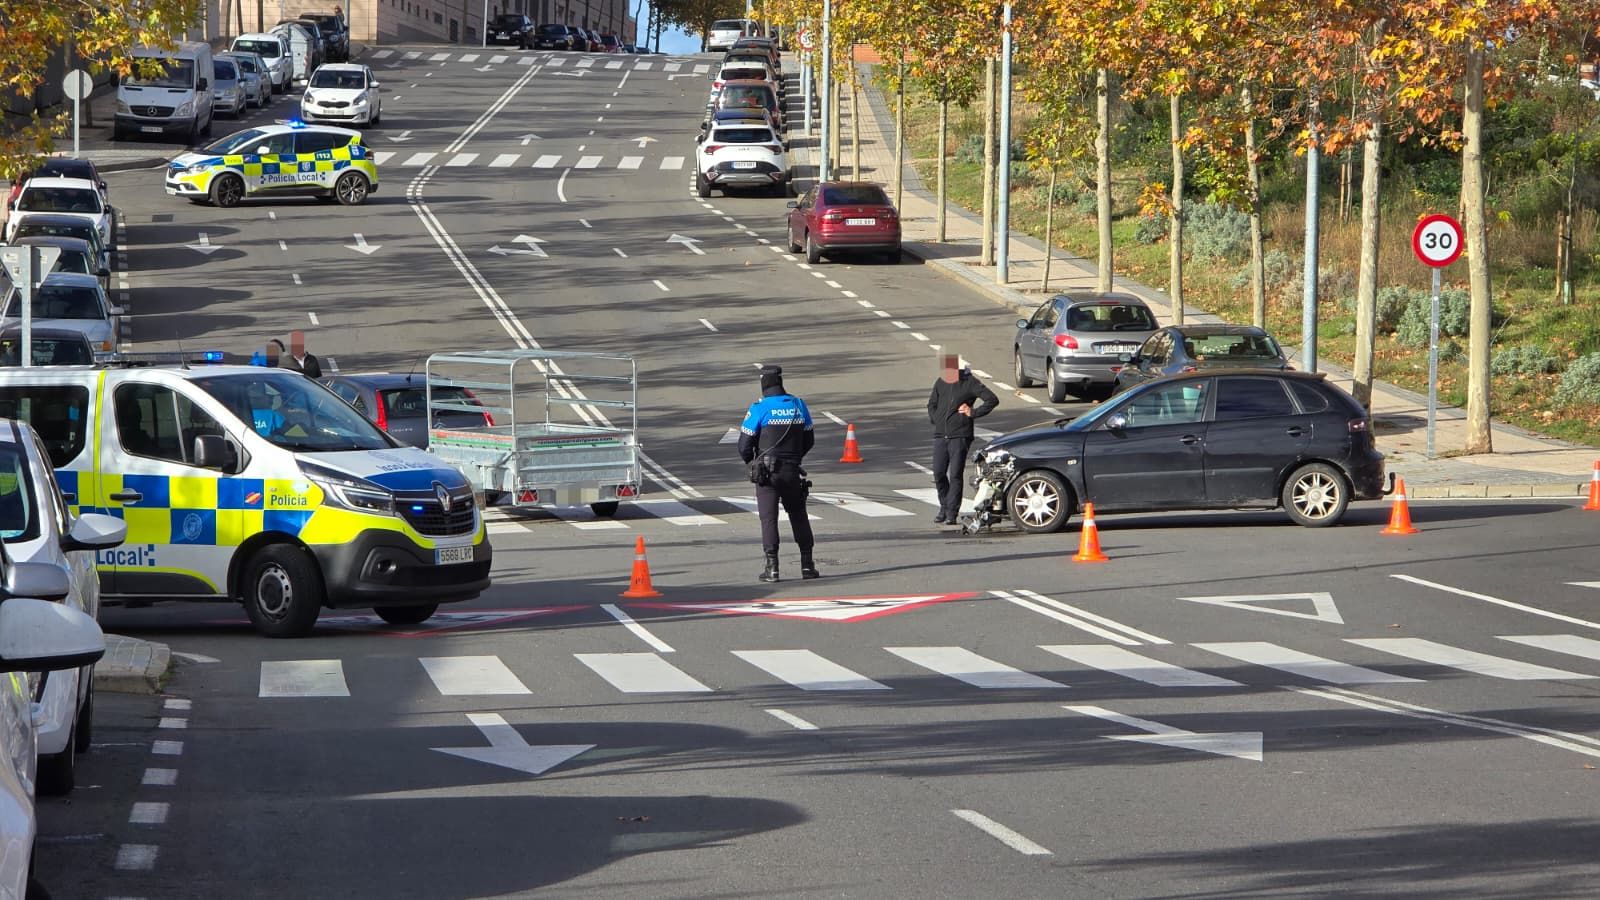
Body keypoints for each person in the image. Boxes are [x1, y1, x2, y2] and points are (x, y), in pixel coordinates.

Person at [738, 364, 817, 583]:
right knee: (799, 516)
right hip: (792, 472)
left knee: (769, 519)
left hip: (766, 473)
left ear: (764, 383)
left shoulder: (759, 408)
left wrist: (752, 462)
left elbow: (744, 445)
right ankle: (807, 565)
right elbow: (809, 440)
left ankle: (772, 568)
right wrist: (794, 458)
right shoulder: (798, 405)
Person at [927, 353, 998, 526]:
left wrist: (972, 413)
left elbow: (992, 399)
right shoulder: (941, 382)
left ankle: (952, 513)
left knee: (955, 474)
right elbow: (931, 404)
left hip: (960, 435)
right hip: (940, 434)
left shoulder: (970, 382)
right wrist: (936, 419)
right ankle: (944, 507)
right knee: (938, 472)